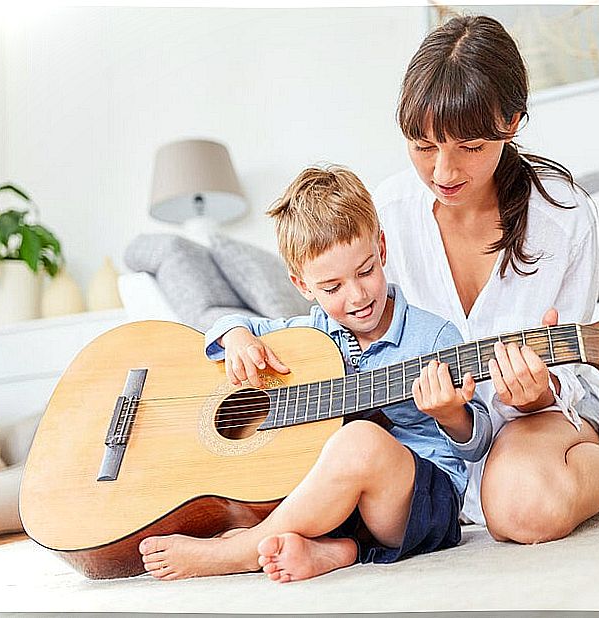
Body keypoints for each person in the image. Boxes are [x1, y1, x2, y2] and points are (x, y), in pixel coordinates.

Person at [373, 14, 599, 544]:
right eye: (423, 146)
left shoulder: (563, 214)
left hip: (539, 415)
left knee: (524, 512)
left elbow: (574, 371)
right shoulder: (387, 215)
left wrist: (536, 395)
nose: (443, 172)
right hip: (434, 431)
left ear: (510, 123)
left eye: (469, 146)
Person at [138, 165, 493, 582]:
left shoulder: (435, 336)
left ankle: (240, 550)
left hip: (420, 501)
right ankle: (338, 550)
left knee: (359, 440)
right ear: (302, 284)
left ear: (381, 249)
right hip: (342, 511)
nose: (358, 296)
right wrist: (236, 337)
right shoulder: (307, 336)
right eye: (332, 287)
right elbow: (229, 327)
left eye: (365, 271)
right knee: (282, 472)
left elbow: (480, 440)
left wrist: (452, 414)